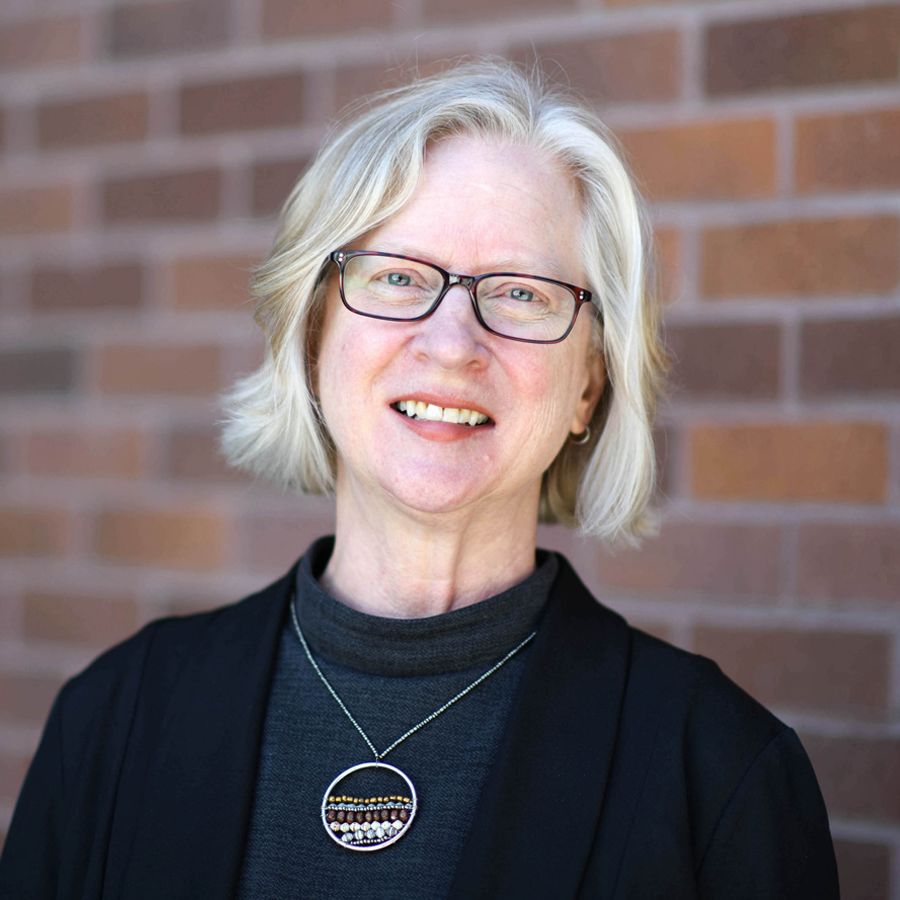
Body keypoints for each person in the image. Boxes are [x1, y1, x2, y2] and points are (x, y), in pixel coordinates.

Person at [0, 61, 838, 899]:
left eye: (520, 293)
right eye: (398, 276)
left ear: (589, 384)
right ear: (314, 333)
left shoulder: (719, 770)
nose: (451, 343)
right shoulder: (114, 719)